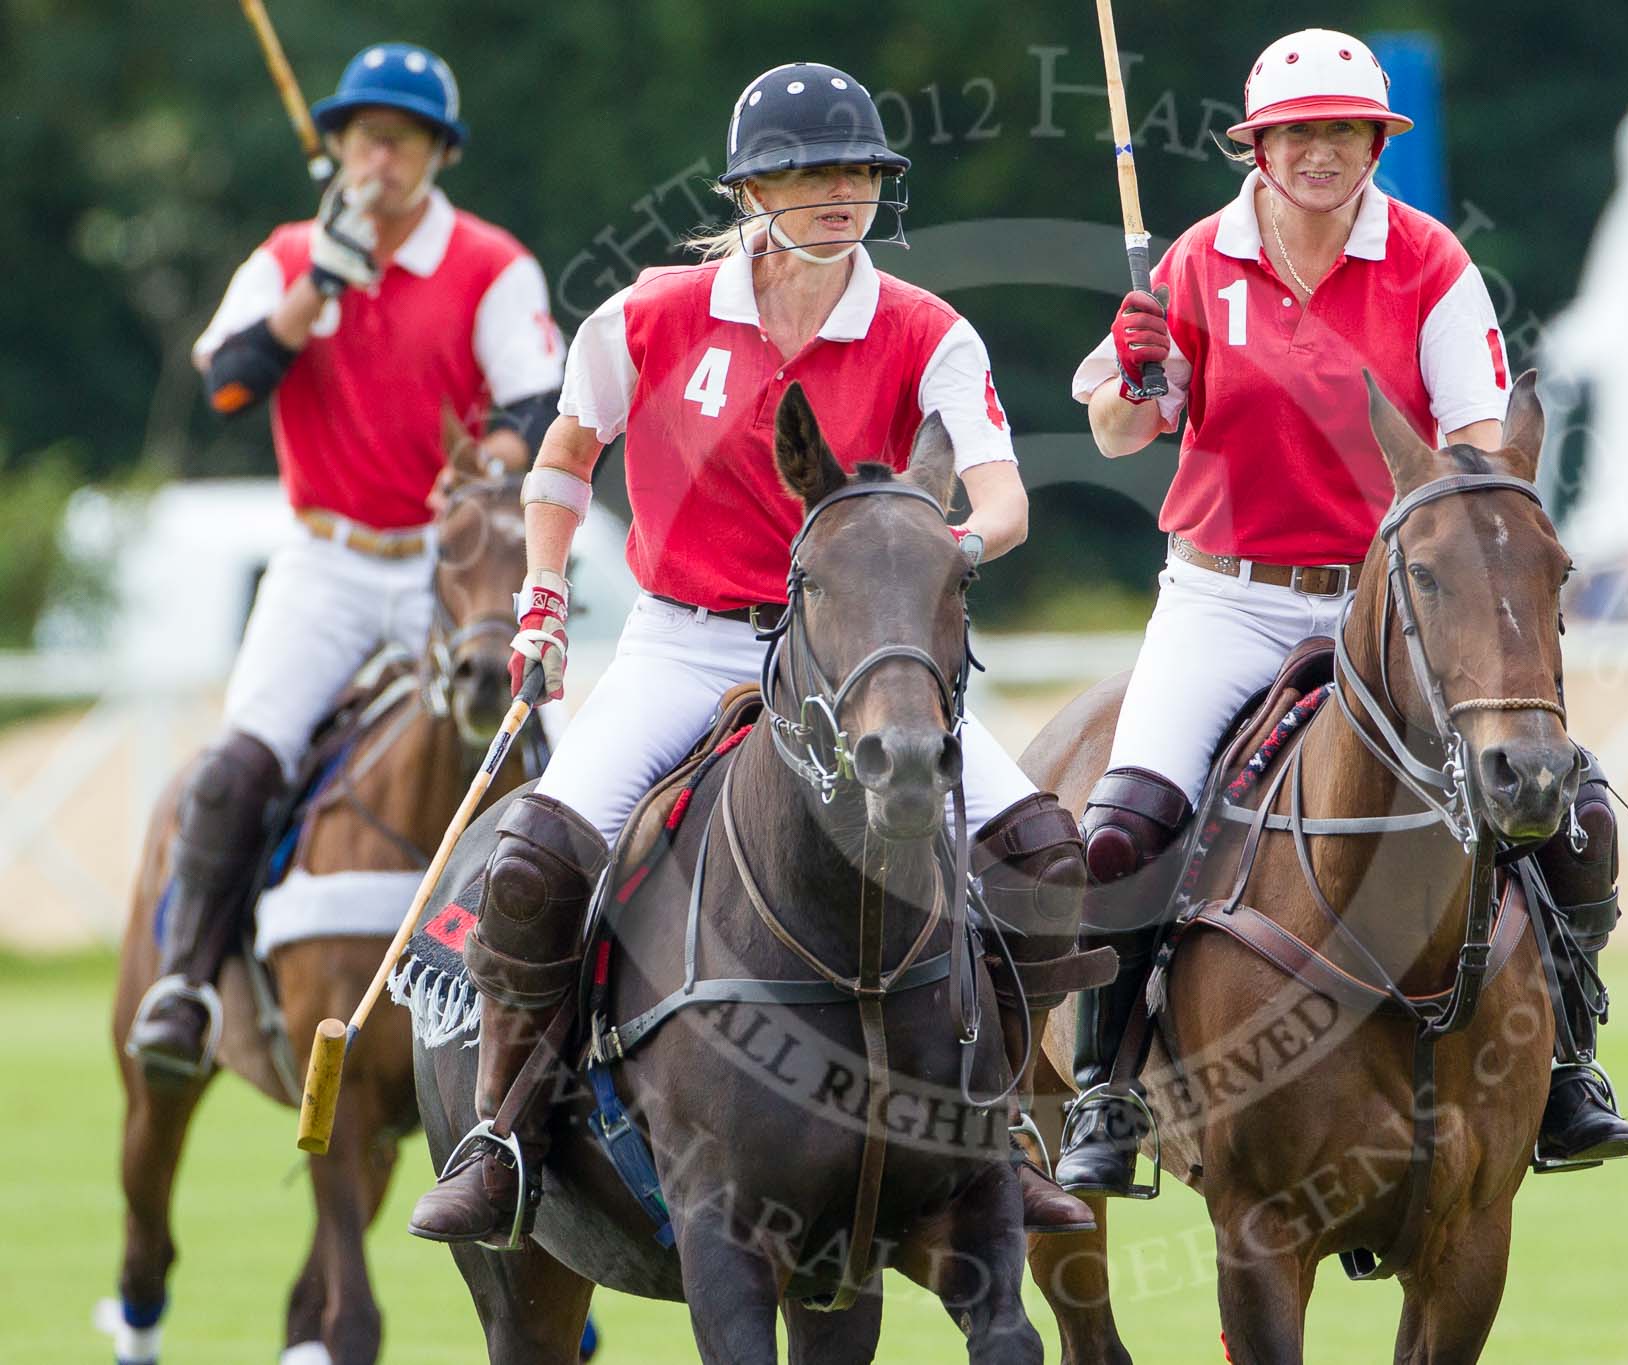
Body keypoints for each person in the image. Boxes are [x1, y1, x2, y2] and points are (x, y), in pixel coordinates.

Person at [406, 61, 1097, 1244]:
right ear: (749, 191)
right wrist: (538, 597)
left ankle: (1002, 1121)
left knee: (1041, 852)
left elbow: (1003, 501)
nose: (840, 196)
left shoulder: (926, 330)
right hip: (683, 645)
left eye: (859, 174)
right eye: (807, 174)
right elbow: (564, 460)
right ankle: (505, 1132)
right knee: (526, 867)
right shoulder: (647, 316)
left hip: (856, 662)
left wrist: (925, 554)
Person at [1055, 28, 1628, 1195]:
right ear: (1258, 146)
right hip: (1227, 596)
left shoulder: (1425, 261)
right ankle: (1105, 1088)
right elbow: (1122, 426)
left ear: (1376, 140)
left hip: (1396, 602)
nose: (1321, 152)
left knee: (1565, 810)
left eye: (1343, 131)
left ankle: (1570, 1060)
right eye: (1297, 133)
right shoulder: (1194, 261)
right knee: (1119, 830)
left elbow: (1479, 445)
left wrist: (1445, 538)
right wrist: (1130, 371)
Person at [128, 42, 563, 1085]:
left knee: (534, 757)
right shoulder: (286, 257)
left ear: (436, 155)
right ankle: (185, 982)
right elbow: (230, 383)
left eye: (402, 139)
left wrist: (483, 470)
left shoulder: (488, 264)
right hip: (324, 561)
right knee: (240, 762)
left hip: (448, 562)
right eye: (365, 136)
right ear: (338, 147)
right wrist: (311, 293)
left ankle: (568, 990)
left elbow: (538, 407)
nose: (381, 156)